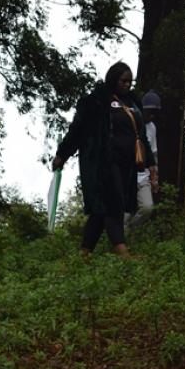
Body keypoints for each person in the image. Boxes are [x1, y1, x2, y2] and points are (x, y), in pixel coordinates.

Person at [52, 62, 156, 258]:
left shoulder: (133, 102)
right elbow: (77, 130)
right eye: (123, 81)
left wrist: (151, 164)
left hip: (128, 164)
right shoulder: (96, 101)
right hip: (102, 163)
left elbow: (141, 135)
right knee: (113, 203)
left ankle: (84, 253)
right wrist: (62, 154)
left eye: (129, 82)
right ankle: (121, 250)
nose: (126, 85)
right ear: (113, 79)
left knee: (100, 212)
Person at [127, 89, 160, 227]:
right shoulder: (130, 120)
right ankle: (118, 241)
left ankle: (128, 230)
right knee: (125, 211)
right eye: (149, 111)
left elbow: (154, 154)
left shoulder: (152, 128)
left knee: (147, 208)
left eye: (154, 112)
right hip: (127, 174)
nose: (151, 115)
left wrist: (154, 178)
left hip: (143, 175)